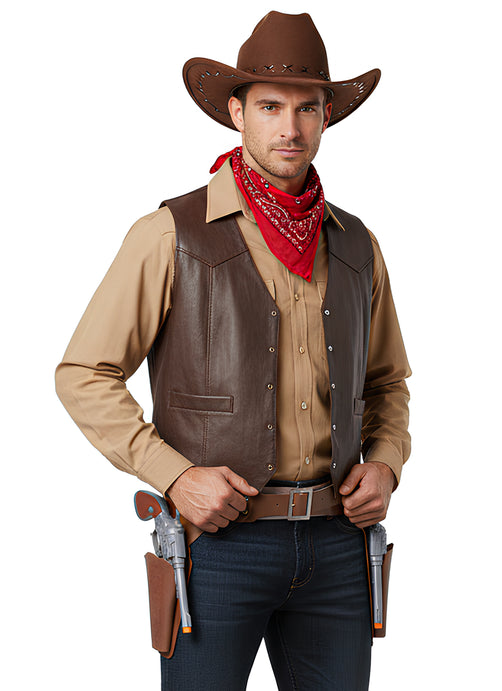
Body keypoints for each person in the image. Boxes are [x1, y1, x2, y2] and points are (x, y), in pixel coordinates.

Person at [56, 11, 411, 691]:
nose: (290, 128)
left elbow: (387, 382)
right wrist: (173, 476)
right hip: (217, 546)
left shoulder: (356, 244)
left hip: (338, 543)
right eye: (270, 107)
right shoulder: (170, 234)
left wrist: (387, 464)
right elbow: (83, 373)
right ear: (236, 112)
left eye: (307, 108)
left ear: (326, 118)